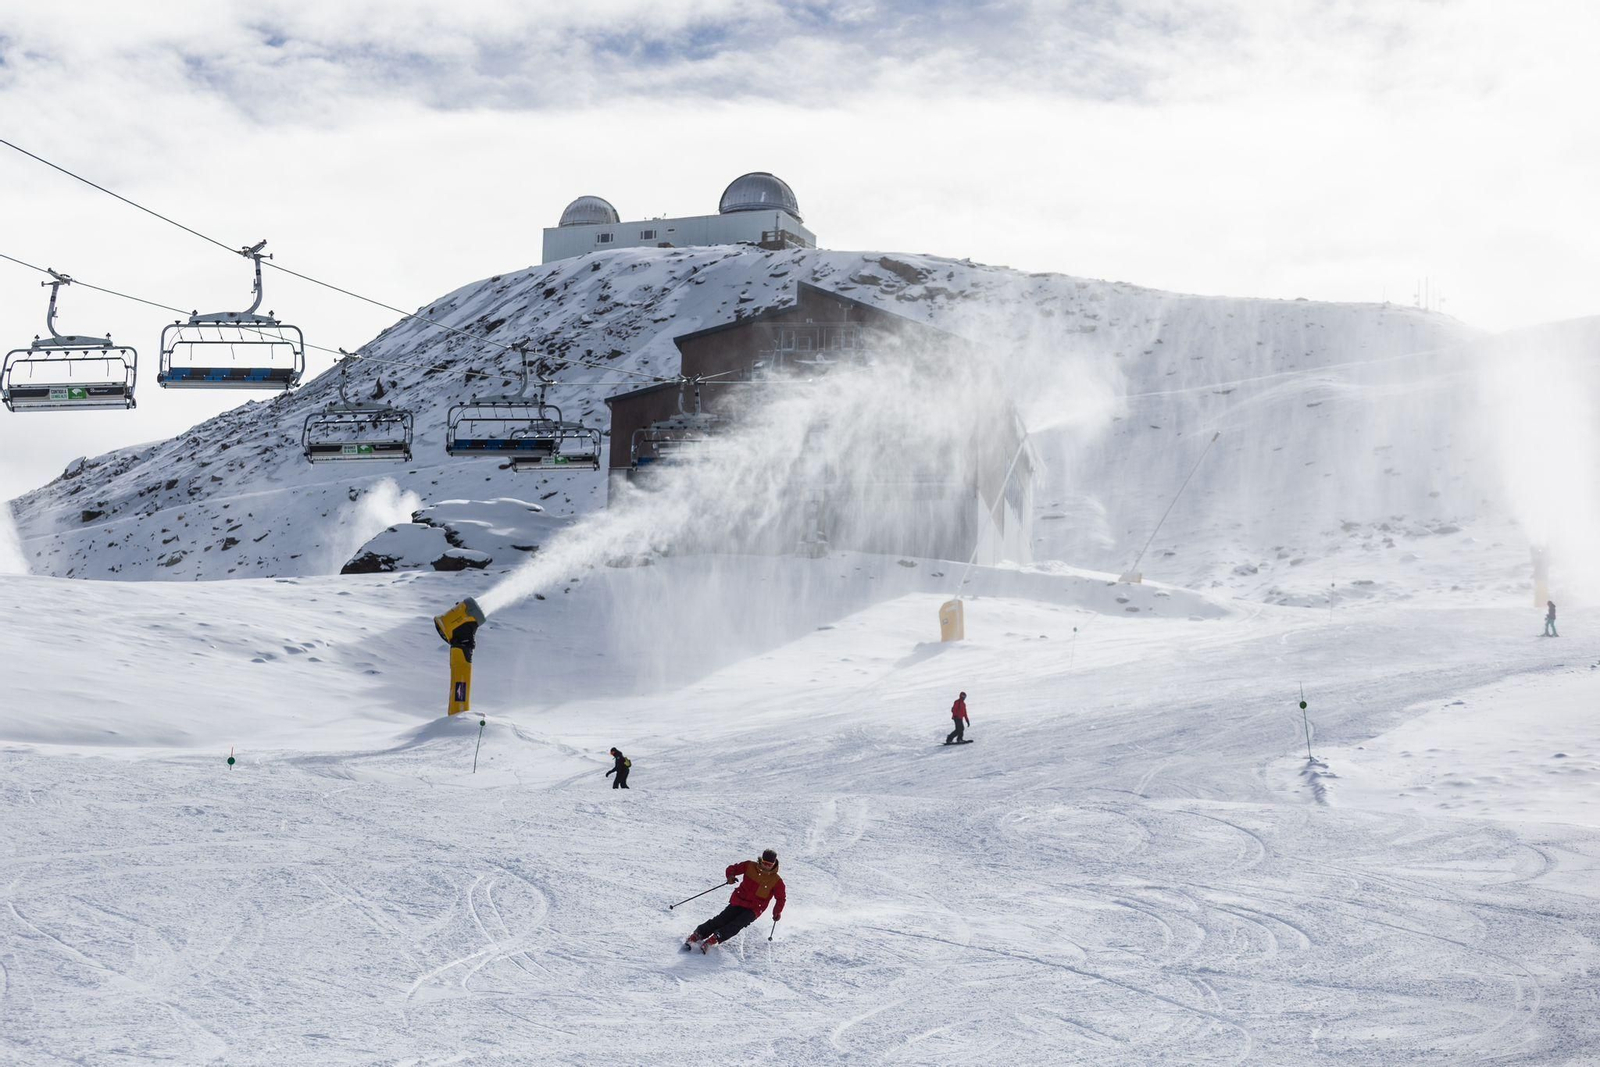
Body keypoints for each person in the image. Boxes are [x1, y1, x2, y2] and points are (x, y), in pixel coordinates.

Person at [684, 849, 786, 952]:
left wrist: (777, 911)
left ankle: (715, 939)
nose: (766, 866)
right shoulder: (750, 866)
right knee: (722, 919)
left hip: (754, 908)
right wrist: (730, 876)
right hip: (739, 900)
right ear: (761, 860)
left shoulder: (776, 881)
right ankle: (698, 934)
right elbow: (732, 868)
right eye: (764, 863)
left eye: (769, 865)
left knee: (736, 924)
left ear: (774, 864)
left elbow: (781, 898)